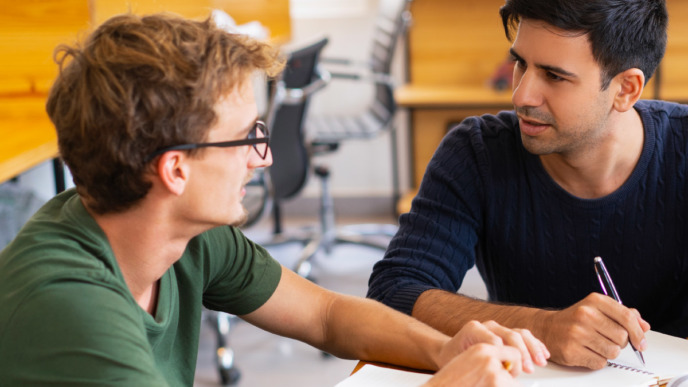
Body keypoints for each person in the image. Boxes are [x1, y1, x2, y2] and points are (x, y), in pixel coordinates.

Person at [0, 13, 549, 386]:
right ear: (175, 169)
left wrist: (441, 352)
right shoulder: (72, 309)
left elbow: (327, 314)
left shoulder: (188, 237)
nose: (262, 158)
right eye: (247, 139)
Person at [367, 0, 680, 371]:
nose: (521, 96)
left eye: (554, 76)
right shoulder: (476, 153)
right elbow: (393, 293)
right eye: (520, 64)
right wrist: (543, 327)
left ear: (625, 89)